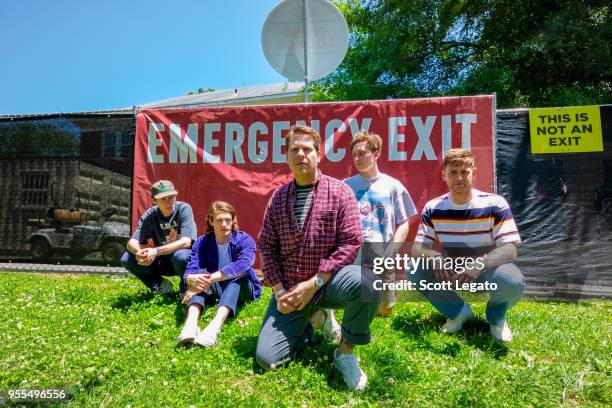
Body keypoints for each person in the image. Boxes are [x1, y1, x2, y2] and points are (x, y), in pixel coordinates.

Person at [255, 125, 380, 391]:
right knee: (268, 361)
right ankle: (314, 323)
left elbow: (351, 242)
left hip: (329, 283)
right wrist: (278, 291)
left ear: (318, 154)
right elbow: (266, 245)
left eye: (307, 149)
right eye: (294, 150)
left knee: (368, 283)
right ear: (287, 157)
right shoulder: (278, 198)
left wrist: (315, 283)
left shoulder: (340, 192)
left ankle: (345, 352)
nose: (301, 154)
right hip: (290, 290)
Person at [409, 148, 525, 342]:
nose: (459, 178)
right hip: (453, 272)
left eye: (465, 172)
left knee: (512, 280)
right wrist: (434, 257)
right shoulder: (433, 207)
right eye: (453, 173)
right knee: (415, 269)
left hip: (487, 272)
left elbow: (510, 249)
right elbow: (417, 248)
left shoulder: (495, 203)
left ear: (474, 173)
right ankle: (458, 312)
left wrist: (479, 264)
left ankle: (496, 318)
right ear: (444, 175)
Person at [344, 131, 417, 316]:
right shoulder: (345, 186)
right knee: (356, 305)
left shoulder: (393, 185)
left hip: (383, 255)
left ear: (376, 154)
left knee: (385, 311)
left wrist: (391, 251)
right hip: (353, 256)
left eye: (362, 153)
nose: (357, 158)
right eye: (354, 155)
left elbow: (404, 223)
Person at [177, 201, 262, 347]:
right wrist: (191, 279)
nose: (224, 224)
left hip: (243, 289)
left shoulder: (244, 240)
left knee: (235, 277)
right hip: (216, 288)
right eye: (219, 220)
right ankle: (191, 324)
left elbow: (243, 265)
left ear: (233, 220)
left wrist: (210, 279)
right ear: (211, 221)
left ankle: (214, 327)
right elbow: (191, 267)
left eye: (228, 220)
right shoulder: (202, 242)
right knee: (199, 275)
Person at [121, 180, 196, 294]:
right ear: (154, 200)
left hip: (184, 259)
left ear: (175, 196)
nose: (168, 202)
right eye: (163, 199)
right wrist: (139, 252)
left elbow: (186, 242)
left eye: (170, 197)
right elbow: (131, 242)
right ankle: (160, 285)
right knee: (127, 258)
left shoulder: (184, 209)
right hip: (163, 260)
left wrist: (156, 251)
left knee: (181, 256)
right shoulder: (150, 214)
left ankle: (186, 289)